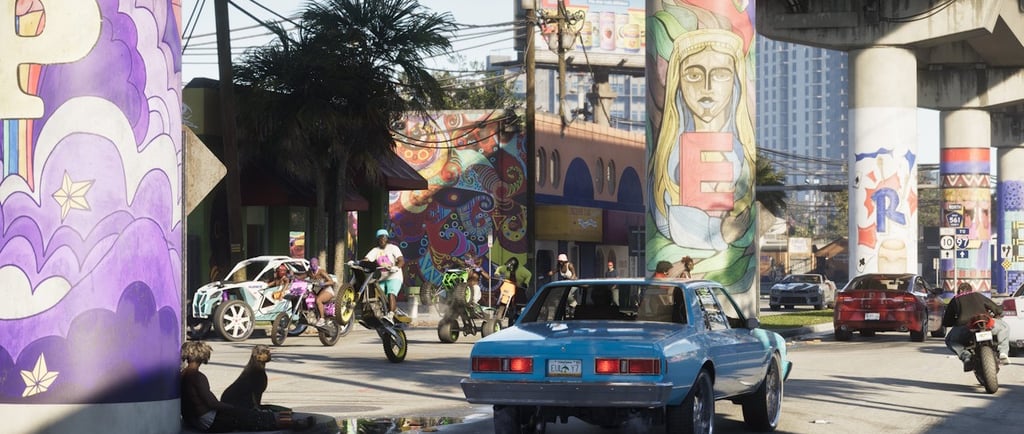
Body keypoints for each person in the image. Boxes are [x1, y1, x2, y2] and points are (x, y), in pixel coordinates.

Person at [180, 341, 314, 432]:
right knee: (253, 418)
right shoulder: (198, 376)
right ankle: (293, 423)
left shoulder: (183, 374)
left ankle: (289, 420)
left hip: (197, 419)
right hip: (209, 421)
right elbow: (212, 403)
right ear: (202, 356)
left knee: (247, 414)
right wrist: (233, 409)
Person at [942, 282, 1010, 370]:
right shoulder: (978, 295)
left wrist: (955, 322)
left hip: (965, 328)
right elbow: (996, 309)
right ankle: (1003, 352)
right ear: (971, 290)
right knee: (1005, 327)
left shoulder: (955, 300)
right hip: (985, 324)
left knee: (949, 340)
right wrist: (998, 312)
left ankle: (966, 356)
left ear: (960, 291)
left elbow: (947, 321)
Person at [364, 228, 404, 324]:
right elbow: (366, 259)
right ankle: (378, 315)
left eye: (384, 238)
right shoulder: (375, 250)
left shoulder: (393, 248)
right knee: (377, 297)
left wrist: (396, 267)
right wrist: (358, 263)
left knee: (391, 293)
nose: (382, 240)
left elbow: (401, 260)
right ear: (377, 240)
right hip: (382, 278)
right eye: (380, 238)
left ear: (387, 239)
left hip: (394, 276)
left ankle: (390, 315)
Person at [308, 257, 336, 327]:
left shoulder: (321, 272)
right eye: (312, 263)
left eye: (315, 263)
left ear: (317, 264)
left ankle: (322, 319)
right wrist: (293, 275)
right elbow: (301, 276)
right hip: (317, 291)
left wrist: (324, 283)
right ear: (310, 264)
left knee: (318, 300)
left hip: (327, 290)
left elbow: (331, 282)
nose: (313, 265)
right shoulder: (309, 272)